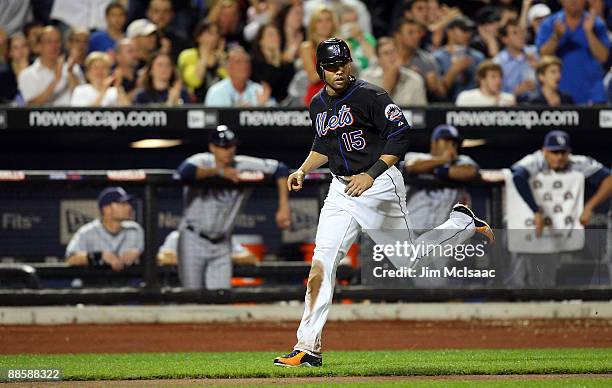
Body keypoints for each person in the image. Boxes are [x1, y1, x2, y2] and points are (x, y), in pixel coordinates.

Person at [274, 38, 494, 367]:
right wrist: (303, 169)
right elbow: (323, 144)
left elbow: (400, 135)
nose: (338, 71)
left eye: (343, 64)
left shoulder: (370, 95)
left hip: (378, 186)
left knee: (409, 262)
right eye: (331, 66)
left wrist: (372, 174)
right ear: (320, 70)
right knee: (321, 264)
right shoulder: (318, 103)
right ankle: (307, 346)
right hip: (340, 189)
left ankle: (460, 222)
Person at [176, 125, 292, 289]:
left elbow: (280, 169)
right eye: (223, 147)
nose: (228, 151)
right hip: (193, 238)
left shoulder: (242, 164)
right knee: (191, 296)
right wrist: (220, 172)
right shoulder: (202, 160)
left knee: (221, 298)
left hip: (223, 242)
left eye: (231, 146)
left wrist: (283, 206)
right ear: (212, 147)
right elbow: (184, 172)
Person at [510, 130, 612, 286]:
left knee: (547, 271)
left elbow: (609, 179)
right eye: (554, 152)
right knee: (521, 265)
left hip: (557, 222)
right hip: (530, 219)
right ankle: (515, 300)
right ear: (544, 151)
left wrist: (589, 207)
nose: (559, 157)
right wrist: (536, 211)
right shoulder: (535, 160)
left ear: (569, 152)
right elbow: (517, 176)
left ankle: (545, 301)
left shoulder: (576, 163)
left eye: (563, 152)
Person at [404, 124, 480, 231]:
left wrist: (437, 170)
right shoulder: (416, 157)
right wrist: (443, 160)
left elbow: (470, 172)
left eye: (454, 143)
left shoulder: (462, 161)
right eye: (446, 141)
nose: (451, 146)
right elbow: (411, 167)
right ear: (434, 142)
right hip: (412, 231)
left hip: (443, 235)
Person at [536, 0, 610, 104]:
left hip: (592, 95)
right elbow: (543, 55)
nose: (573, 1)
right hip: (560, 96)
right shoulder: (550, 24)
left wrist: (589, 33)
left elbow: (603, 57)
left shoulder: (596, 24)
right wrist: (556, 37)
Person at [65, 187, 144, 272]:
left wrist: (140, 255)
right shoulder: (88, 231)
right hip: (97, 282)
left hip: (128, 281)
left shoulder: (135, 230)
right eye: (123, 204)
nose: (129, 207)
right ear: (107, 209)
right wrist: (98, 256)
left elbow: (157, 257)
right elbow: (71, 259)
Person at [18, 26, 82, 106]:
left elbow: (83, 99)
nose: (54, 46)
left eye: (57, 41)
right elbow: (31, 105)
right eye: (49, 42)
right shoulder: (27, 74)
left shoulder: (74, 69)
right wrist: (56, 80)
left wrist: (70, 73)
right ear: (39, 46)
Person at [361, 37, 427, 106]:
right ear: (379, 60)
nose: (391, 57)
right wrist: (387, 86)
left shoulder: (415, 79)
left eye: (394, 52)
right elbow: (366, 112)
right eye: (386, 53)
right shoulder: (367, 79)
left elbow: (420, 113)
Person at [393, 17, 446, 100]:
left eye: (418, 32)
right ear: (398, 36)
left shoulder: (428, 61)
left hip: (417, 109)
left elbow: (442, 94)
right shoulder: (386, 57)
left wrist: (434, 86)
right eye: (411, 33)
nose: (416, 36)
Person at [434, 16, 484, 102]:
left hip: (474, 105)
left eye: (469, 31)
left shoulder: (478, 57)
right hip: (446, 105)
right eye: (464, 30)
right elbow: (438, 92)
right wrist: (454, 70)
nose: (468, 34)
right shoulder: (437, 57)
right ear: (450, 32)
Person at [204, 46, 274, 107]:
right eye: (239, 62)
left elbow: (276, 115)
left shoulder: (259, 90)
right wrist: (237, 113)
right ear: (228, 67)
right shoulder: (216, 92)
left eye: (247, 62)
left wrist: (261, 108)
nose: (244, 66)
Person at [177, 20, 226, 103]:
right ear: (198, 36)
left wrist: (222, 62)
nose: (215, 36)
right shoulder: (187, 55)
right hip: (195, 104)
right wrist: (204, 57)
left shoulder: (223, 57)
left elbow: (229, 82)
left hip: (220, 103)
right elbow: (195, 81)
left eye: (217, 33)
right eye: (210, 33)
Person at [299, 6, 338, 106]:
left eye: (328, 20)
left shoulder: (341, 45)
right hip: (317, 98)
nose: (324, 25)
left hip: (339, 97)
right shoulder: (307, 48)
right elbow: (313, 77)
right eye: (319, 21)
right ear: (313, 25)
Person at [156, 230, 258, 266]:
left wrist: (220, 259)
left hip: (215, 287)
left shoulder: (223, 237)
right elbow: (162, 258)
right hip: (183, 288)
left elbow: (251, 258)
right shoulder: (177, 236)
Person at [250, 23, 296, 104]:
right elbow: (269, 85)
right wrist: (276, 62)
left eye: (277, 35)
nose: (276, 38)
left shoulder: (287, 65)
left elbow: (287, 91)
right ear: (261, 41)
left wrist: (278, 59)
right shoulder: (253, 64)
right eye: (270, 34)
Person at [493, 19, 538, 99]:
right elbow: (495, 93)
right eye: (515, 33)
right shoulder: (498, 63)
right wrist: (515, 92)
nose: (521, 36)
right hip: (511, 107)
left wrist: (539, 68)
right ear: (505, 39)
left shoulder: (535, 54)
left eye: (522, 32)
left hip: (539, 105)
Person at [0, 33, 30, 104]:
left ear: (29, 49)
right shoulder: (3, 74)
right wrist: (20, 76)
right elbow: (8, 98)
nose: (21, 51)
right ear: (10, 52)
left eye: (24, 46)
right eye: (16, 48)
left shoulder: (37, 68)